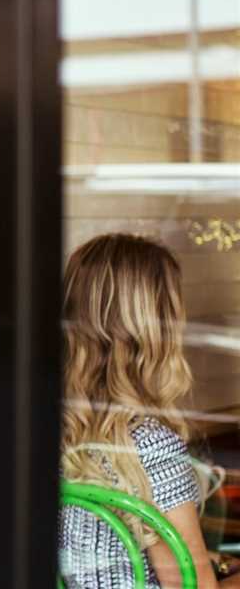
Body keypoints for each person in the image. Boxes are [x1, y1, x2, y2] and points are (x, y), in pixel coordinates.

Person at [58, 233, 240, 588]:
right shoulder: (150, 444)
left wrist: (210, 560)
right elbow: (190, 586)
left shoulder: (48, 424)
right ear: (154, 329)